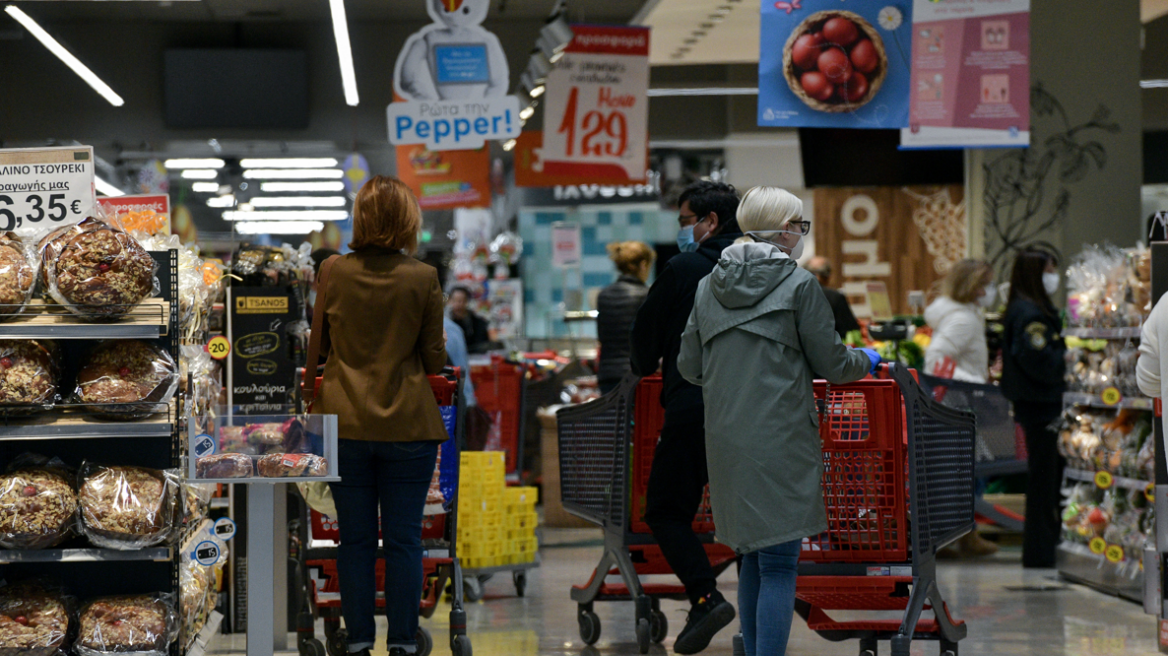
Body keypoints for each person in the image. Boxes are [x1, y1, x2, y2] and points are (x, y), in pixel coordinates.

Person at [677, 186, 878, 656]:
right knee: (781, 563)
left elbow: (689, 365)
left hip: (725, 437)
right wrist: (867, 359)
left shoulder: (708, 285)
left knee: (749, 554)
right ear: (785, 230)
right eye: (799, 225)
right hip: (782, 434)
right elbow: (833, 364)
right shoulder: (799, 284)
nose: (800, 234)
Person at [313, 176, 448, 656]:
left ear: (362, 217)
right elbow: (435, 360)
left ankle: (359, 641)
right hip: (408, 425)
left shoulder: (333, 272)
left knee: (354, 542)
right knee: (405, 541)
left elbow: (320, 349)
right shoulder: (423, 277)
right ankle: (405, 642)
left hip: (344, 424)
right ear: (408, 220)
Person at [629, 181, 743, 654]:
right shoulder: (765, 268)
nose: (681, 231)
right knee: (752, 520)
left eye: (683, 221)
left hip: (693, 408)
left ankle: (704, 594)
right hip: (753, 411)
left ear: (709, 221)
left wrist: (647, 362)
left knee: (665, 510)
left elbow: (643, 346)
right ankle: (765, 618)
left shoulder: (684, 268)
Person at [923, 258, 999, 557]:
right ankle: (961, 535)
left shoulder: (960, 315)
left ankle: (961, 534)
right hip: (961, 404)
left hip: (956, 404)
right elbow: (936, 360)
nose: (990, 290)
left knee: (960, 472)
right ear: (973, 286)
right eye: (986, 283)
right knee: (968, 472)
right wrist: (975, 385)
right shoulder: (963, 320)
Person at [1001, 247, 1066, 569]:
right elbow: (1036, 359)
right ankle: (1042, 552)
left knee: (1045, 479)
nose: (1054, 276)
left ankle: (1045, 548)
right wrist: (1068, 362)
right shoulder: (1030, 314)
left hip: (1035, 404)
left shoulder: (1023, 307)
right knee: (1044, 481)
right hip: (1041, 406)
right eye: (1050, 269)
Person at [596, 241, 654, 395]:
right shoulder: (647, 295)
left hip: (607, 375)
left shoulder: (604, 295)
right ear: (643, 264)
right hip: (636, 376)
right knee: (637, 418)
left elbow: (602, 337)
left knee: (613, 418)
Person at [804, 256, 861, 340]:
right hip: (828, 350)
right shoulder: (836, 297)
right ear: (828, 277)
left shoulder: (793, 294)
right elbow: (850, 331)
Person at [447, 286, 492, 353]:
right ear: (450, 301)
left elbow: (482, 344)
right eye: (455, 300)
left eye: (462, 301)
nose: (458, 304)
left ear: (467, 302)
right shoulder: (446, 323)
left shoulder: (478, 322)